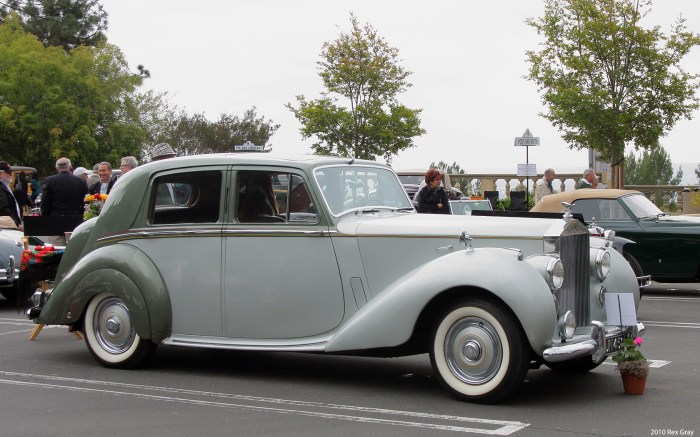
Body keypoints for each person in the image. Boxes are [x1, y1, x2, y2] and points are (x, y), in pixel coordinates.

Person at [0, 161, 23, 230]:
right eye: (8, 172)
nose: (10, 175)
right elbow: (4, 209)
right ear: (0, 174)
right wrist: (16, 224)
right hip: (7, 226)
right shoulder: (1, 188)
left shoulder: (5, 186)